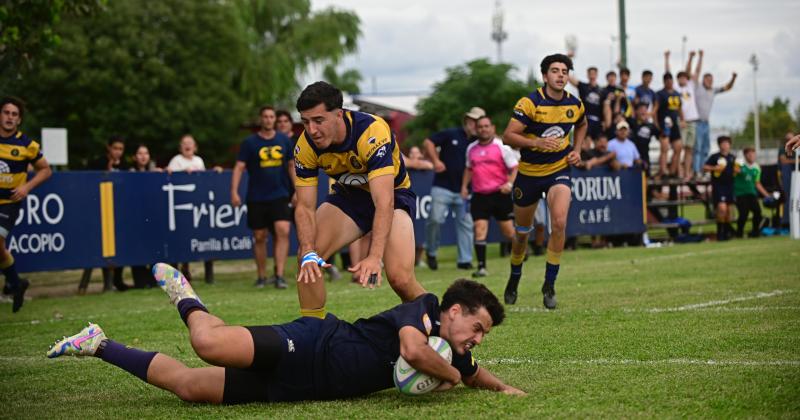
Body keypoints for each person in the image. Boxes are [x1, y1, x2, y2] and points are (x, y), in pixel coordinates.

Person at [47, 263, 525, 403]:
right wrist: (451, 377)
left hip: (305, 388)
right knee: (207, 343)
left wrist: (502, 387)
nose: (477, 339)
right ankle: (185, 296)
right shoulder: (421, 310)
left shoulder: (454, 349)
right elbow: (413, 352)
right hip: (312, 342)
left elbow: (473, 372)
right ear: (455, 310)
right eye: (477, 327)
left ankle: (99, 343)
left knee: (190, 387)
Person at [293, 81, 425, 311]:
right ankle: (311, 333)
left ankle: (437, 322)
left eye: (318, 120)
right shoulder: (305, 146)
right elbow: (304, 207)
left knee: (400, 279)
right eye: (305, 122)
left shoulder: (371, 131)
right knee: (308, 260)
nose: (312, 130)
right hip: (350, 197)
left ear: (339, 115)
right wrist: (306, 250)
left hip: (393, 196)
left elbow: (384, 202)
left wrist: (374, 257)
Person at [501, 53, 587, 310]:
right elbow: (507, 136)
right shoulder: (530, 102)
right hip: (528, 175)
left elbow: (582, 124)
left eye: (565, 71)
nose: (561, 75)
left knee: (558, 222)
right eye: (555, 70)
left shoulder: (575, 103)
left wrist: (577, 149)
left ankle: (549, 285)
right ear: (545, 76)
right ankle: (514, 278)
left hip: (558, 171)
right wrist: (535, 142)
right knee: (522, 234)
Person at [231, 106, 296, 289]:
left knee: (283, 230)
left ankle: (280, 275)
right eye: (265, 117)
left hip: (280, 194)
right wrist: (234, 191)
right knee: (259, 236)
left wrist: (297, 190)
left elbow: (291, 166)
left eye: (271, 117)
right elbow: (239, 168)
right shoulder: (250, 143)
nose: (268, 120)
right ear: (261, 119)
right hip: (257, 196)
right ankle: (261, 276)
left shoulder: (284, 140)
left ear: (274, 119)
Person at [0, 97, 52, 312]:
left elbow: (46, 170)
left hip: (8, 203)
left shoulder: (26, 145)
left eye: (14, 114)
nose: (10, 117)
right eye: (6, 113)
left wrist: (26, 188)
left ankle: (14, 282)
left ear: (19, 120)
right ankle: (16, 283)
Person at [422, 108, 484, 270]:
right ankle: (431, 252)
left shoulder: (479, 142)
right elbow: (428, 142)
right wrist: (436, 161)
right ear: (466, 121)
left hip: (465, 191)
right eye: (472, 121)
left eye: (477, 122)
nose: (474, 125)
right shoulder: (451, 134)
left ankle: (464, 260)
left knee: (466, 224)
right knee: (435, 219)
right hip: (443, 186)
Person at [461, 116, 518, 278]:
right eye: (480, 127)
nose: (483, 129)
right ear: (476, 129)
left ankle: (520, 250)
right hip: (480, 196)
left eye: (486, 126)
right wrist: (464, 187)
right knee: (479, 229)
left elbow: (515, 168)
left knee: (508, 232)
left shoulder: (502, 147)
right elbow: (468, 169)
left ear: (492, 128)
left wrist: (509, 184)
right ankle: (481, 267)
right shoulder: (471, 148)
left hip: (499, 194)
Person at [167, 134, 220, 283]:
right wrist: (182, 173)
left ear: (195, 147)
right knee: (182, 238)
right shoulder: (177, 160)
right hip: (181, 205)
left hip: (198, 205)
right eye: (184, 143)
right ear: (180, 147)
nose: (187, 145)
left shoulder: (199, 160)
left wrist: (213, 171)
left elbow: (202, 179)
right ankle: (179, 272)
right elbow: (169, 174)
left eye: (190, 143)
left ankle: (204, 273)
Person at [87, 135, 130, 291]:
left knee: (122, 245)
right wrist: (109, 168)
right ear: (109, 147)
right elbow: (90, 183)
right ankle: (107, 282)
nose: (118, 152)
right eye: (115, 148)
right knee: (106, 249)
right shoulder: (97, 163)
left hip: (120, 212)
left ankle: (118, 280)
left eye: (121, 149)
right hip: (102, 212)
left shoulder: (125, 165)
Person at [693, 50, 737, 177]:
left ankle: (702, 170)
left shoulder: (712, 90)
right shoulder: (698, 88)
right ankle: (696, 170)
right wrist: (700, 57)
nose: (710, 82)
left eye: (711, 80)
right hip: (697, 122)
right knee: (698, 148)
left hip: (706, 123)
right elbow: (696, 72)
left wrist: (733, 78)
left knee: (706, 148)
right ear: (703, 80)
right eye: (707, 79)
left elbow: (727, 87)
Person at [129, 144, 161, 289]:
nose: (143, 156)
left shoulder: (154, 172)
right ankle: (140, 278)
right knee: (139, 248)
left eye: (146, 153)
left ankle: (154, 276)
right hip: (136, 218)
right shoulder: (129, 173)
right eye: (140, 153)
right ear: (135, 157)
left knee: (154, 248)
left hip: (152, 218)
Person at [652, 52, 684, 178]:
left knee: (678, 148)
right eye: (667, 80)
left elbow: (680, 109)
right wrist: (656, 124)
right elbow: (655, 110)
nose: (669, 82)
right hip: (664, 125)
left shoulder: (677, 93)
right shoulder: (660, 94)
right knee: (664, 149)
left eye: (671, 80)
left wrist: (683, 120)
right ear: (664, 82)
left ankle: (673, 171)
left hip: (675, 125)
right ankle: (663, 170)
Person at [703, 136, 738, 241]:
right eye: (723, 143)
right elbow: (704, 167)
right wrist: (715, 168)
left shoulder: (733, 157)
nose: (725, 145)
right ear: (719, 145)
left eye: (727, 143)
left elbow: (736, 171)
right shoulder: (715, 157)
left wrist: (737, 171)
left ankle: (727, 233)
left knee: (728, 212)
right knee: (722, 208)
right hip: (719, 186)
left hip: (730, 186)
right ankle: (720, 233)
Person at [676, 51, 702, 181]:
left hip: (693, 121)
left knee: (689, 149)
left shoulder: (691, 86)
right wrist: (690, 57)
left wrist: (697, 58)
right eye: (680, 78)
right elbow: (687, 69)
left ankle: (687, 172)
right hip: (682, 121)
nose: (683, 80)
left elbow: (695, 71)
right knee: (680, 147)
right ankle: (679, 171)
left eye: (684, 77)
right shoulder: (676, 89)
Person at [734, 147, 770, 238]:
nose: (751, 156)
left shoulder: (757, 167)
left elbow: (757, 183)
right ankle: (739, 233)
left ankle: (755, 232)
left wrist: (767, 195)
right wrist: (736, 169)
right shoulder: (740, 164)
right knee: (743, 214)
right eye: (748, 154)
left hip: (751, 193)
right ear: (745, 155)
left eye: (753, 154)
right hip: (740, 193)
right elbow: (733, 173)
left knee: (757, 212)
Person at [568, 66, 603, 141]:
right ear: (587, 75)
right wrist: (567, 61)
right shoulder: (583, 86)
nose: (592, 75)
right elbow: (569, 77)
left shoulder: (602, 90)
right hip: (585, 120)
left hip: (598, 122)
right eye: (590, 73)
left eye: (594, 73)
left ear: (597, 75)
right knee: (584, 143)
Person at [628, 103, 660, 174]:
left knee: (646, 175)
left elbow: (660, 135)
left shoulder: (650, 126)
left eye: (645, 110)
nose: (643, 112)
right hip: (631, 156)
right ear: (636, 112)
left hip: (644, 156)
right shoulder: (632, 122)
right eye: (641, 110)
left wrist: (654, 118)